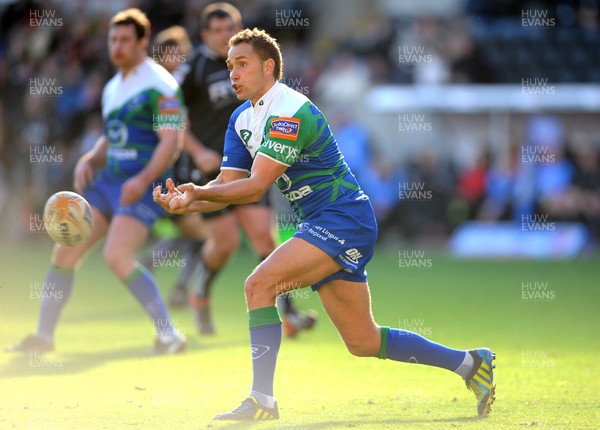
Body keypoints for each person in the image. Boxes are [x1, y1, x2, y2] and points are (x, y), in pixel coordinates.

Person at [154, 28, 496, 420]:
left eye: (242, 64)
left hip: (343, 218)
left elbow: (257, 187)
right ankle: (472, 364)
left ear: (269, 67)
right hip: (322, 224)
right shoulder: (242, 119)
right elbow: (228, 184)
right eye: (230, 65)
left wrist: (198, 194)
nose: (233, 73)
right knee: (363, 341)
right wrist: (191, 199)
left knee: (259, 284)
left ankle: (262, 401)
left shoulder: (289, 111)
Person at [7, 8, 186, 355]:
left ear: (142, 42)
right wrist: (92, 158)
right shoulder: (113, 87)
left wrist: (143, 178)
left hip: (145, 183)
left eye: (124, 39)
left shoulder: (161, 84)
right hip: (109, 181)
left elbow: (171, 142)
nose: (117, 45)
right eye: (112, 39)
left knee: (117, 255)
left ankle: (169, 336)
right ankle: (43, 337)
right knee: (64, 250)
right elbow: (112, 137)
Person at [173, 2, 315, 336]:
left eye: (231, 28)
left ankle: (289, 313)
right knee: (224, 245)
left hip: (252, 164)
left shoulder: (249, 62)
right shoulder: (193, 69)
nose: (226, 35)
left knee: (266, 239)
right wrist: (198, 152)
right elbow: (172, 119)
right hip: (207, 169)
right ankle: (200, 297)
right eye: (219, 30)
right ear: (205, 34)